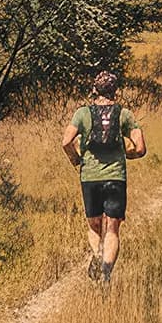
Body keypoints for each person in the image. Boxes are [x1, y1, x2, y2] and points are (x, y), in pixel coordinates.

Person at [61, 70, 146, 285]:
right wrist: (127, 154)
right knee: (113, 228)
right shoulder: (124, 114)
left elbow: (66, 141)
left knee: (94, 225)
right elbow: (141, 148)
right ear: (115, 91)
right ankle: (106, 272)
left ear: (94, 89)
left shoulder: (82, 113)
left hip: (89, 177)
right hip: (116, 177)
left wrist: (77, 160)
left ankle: (98, 257)